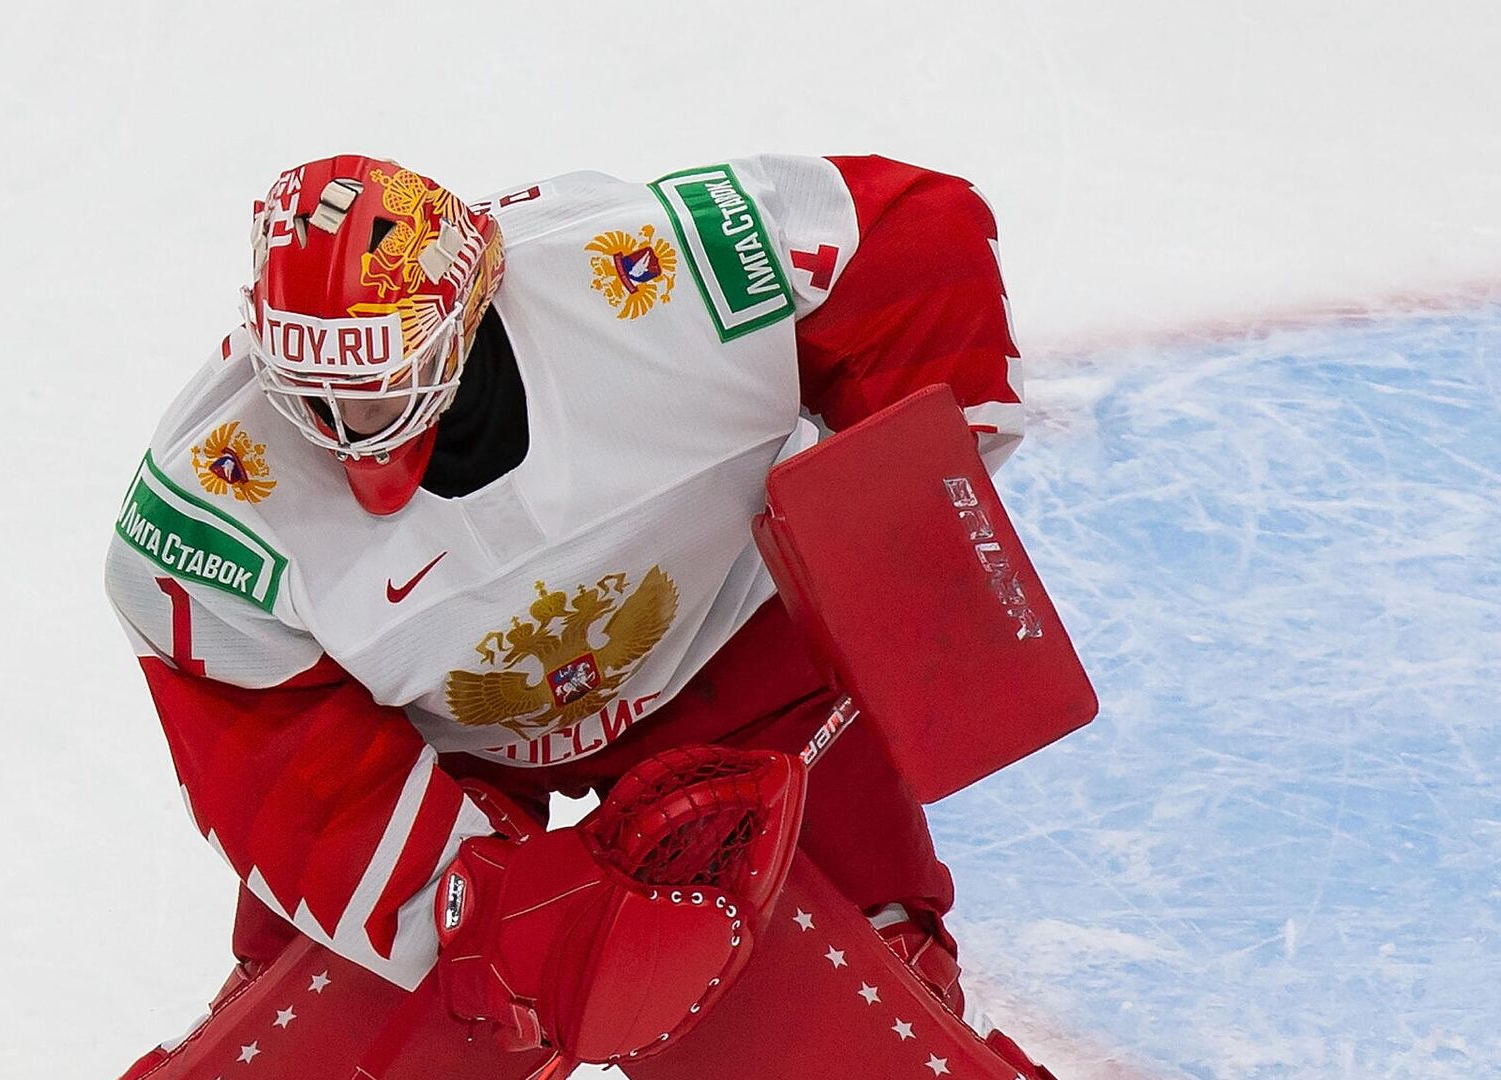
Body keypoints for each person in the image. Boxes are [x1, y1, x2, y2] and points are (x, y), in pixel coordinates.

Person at [103, 153, 1046, 1078]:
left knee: (885, 988)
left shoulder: (650, 275)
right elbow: (250, 707)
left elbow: (911, 231)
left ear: (463, 313)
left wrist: (907, 512)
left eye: (376, 382)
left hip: (730, 663)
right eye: (308, 391)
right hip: (444, 756)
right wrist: (471, 907)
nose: (341, 423)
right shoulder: (216, 493)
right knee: (305, 1038)